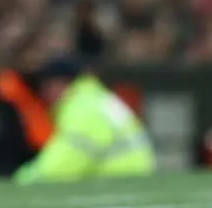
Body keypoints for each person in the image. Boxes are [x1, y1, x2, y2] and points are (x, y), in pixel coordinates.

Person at [12, 57, 156, 184]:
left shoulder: (82, 109)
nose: (44, 93)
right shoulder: (95, 99)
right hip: (133, 177)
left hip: (118, 180)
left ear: (60, 83)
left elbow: (61, 166)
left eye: (46, 86)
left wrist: (23, 179)